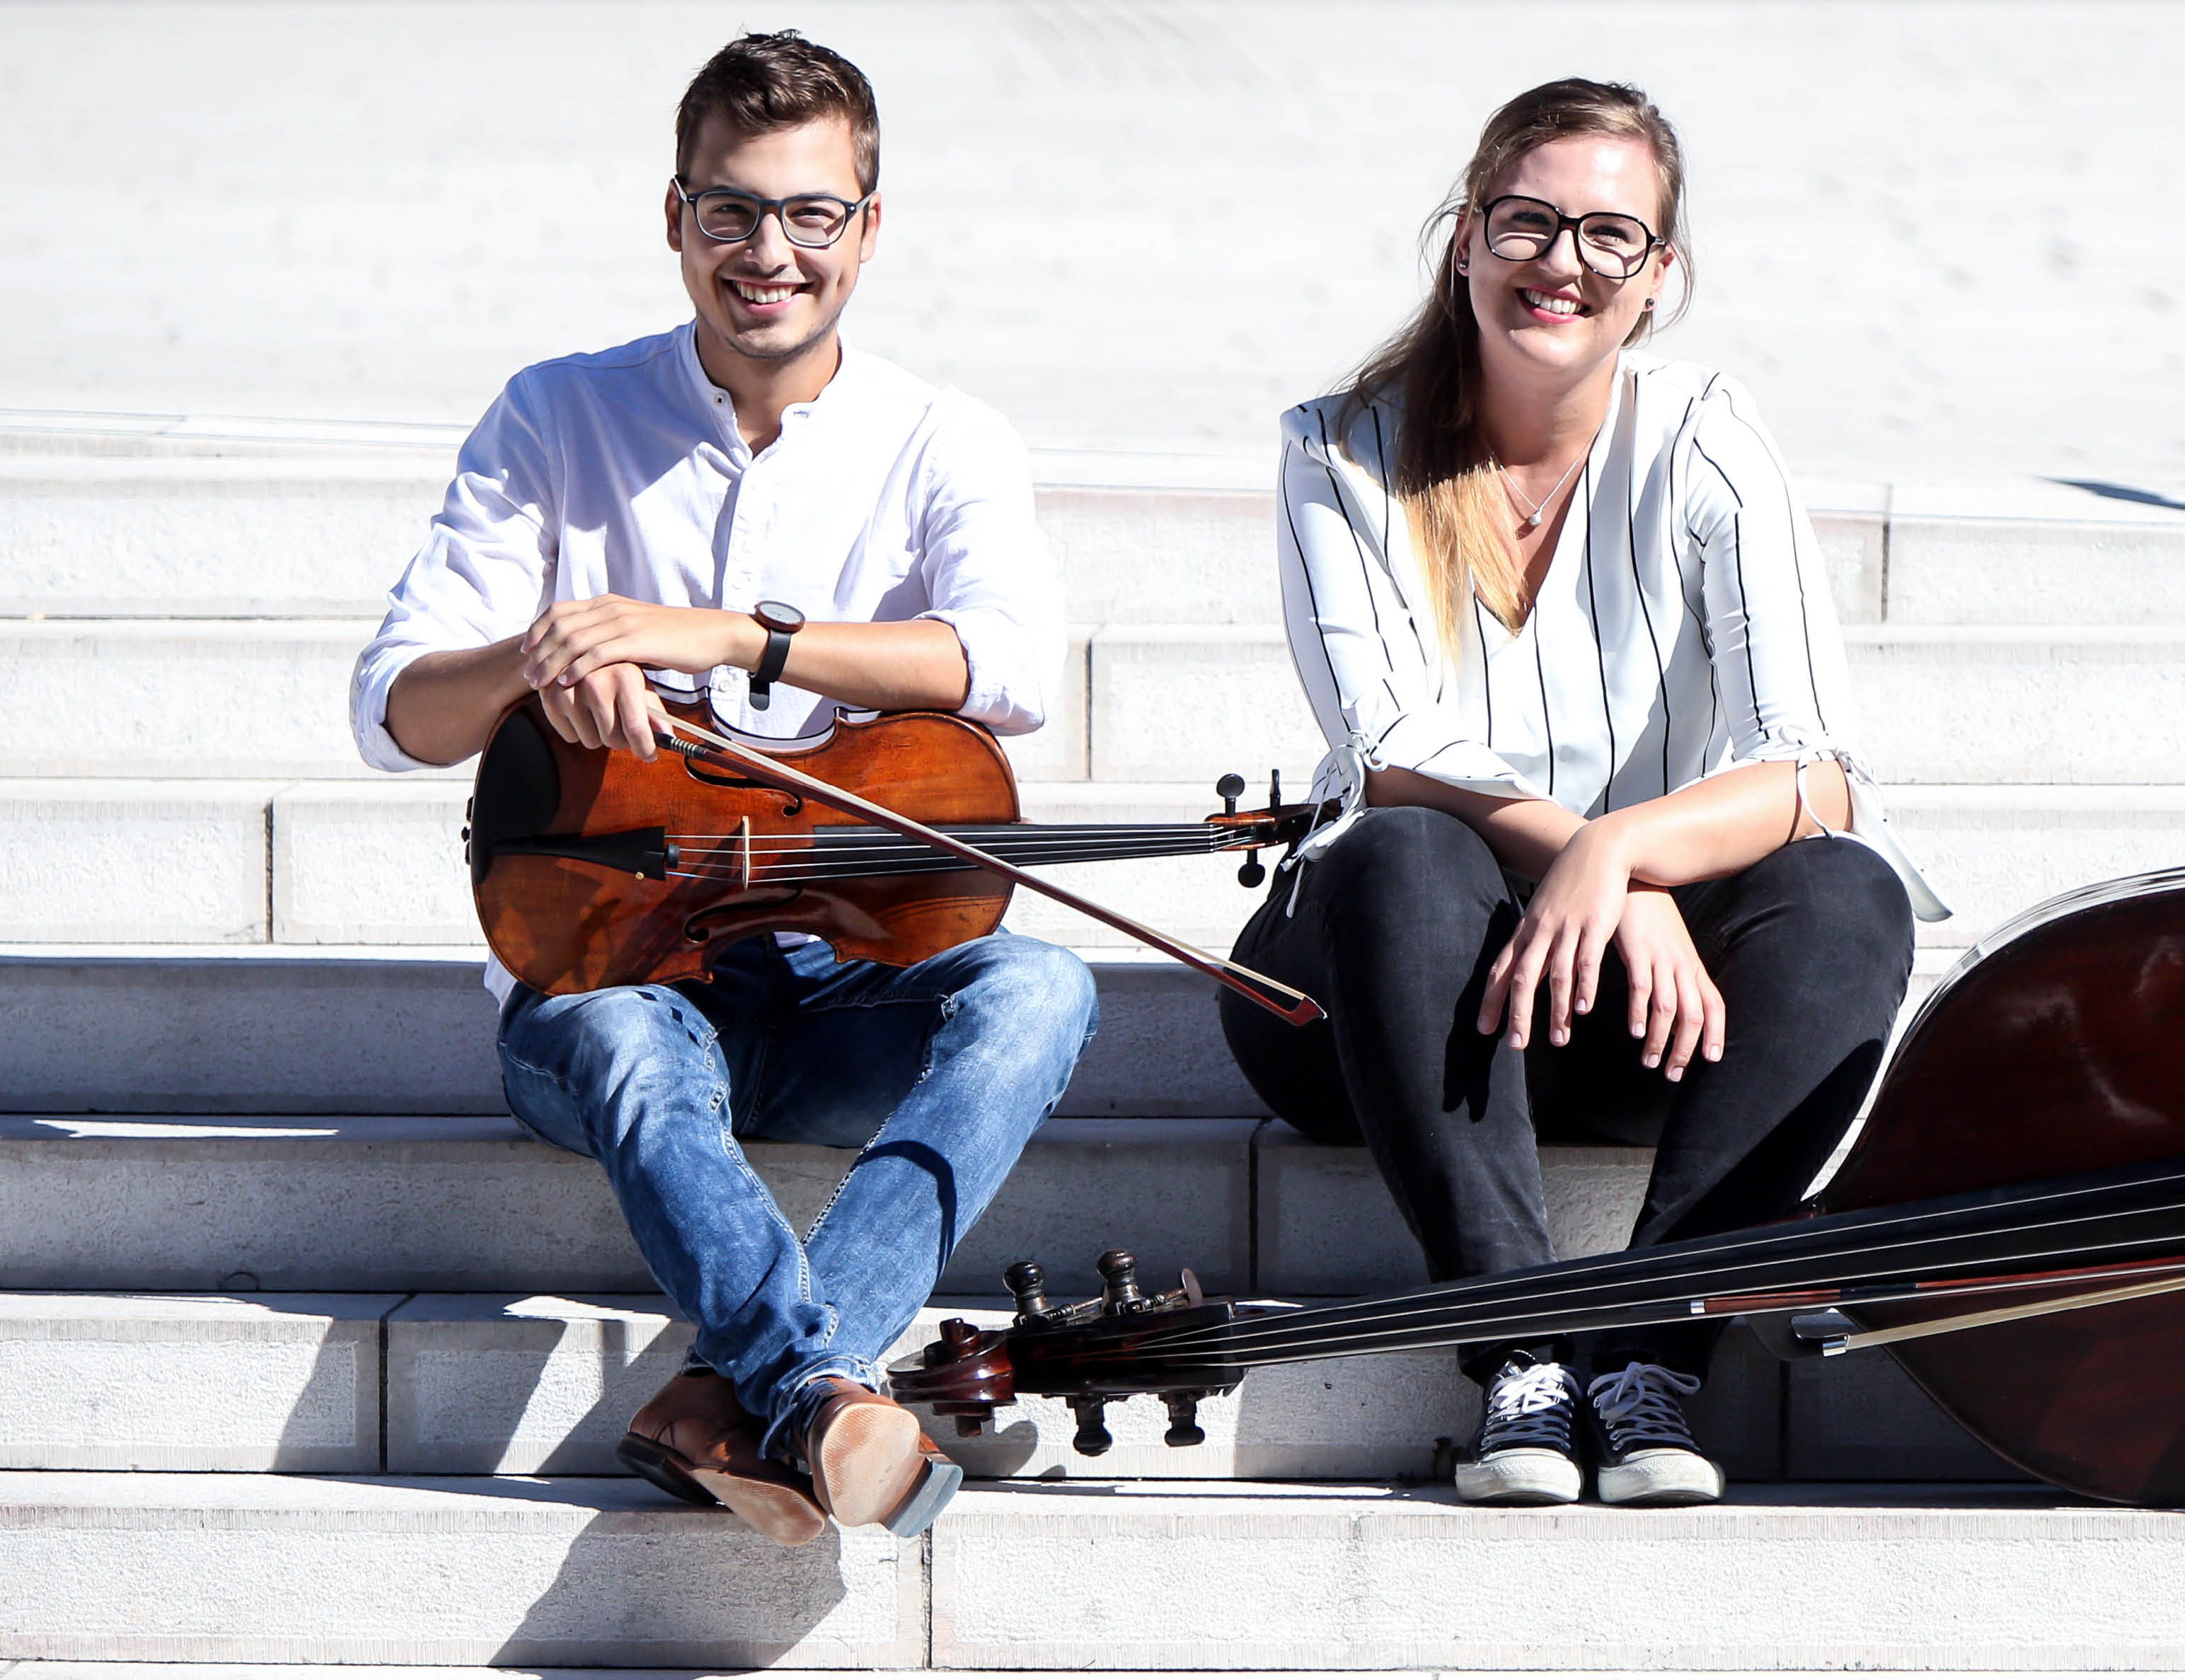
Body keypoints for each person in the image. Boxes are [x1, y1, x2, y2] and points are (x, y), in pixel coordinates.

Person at [350, 31, 1089, 1546]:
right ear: (675, 218)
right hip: (616, 972)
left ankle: (731, 1393)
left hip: (840, 979)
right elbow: (397, 711)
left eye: (812, 214)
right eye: (731, 211)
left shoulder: (942, 439)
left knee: (1043, 990)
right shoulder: (556, 417)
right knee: (620, 1031)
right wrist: (535, 657)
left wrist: (733, 638)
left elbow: (1008, 665)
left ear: (866, 230)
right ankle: (812, 1389)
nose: (770, 253)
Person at [1222, 78, 1947, 1509]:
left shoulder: (1703, 436)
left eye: (1610, 235)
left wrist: (1627, 859)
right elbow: (1386, 750)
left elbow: (1819, 767)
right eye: (1526, 221)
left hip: (1639, 1022)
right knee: (1401, 855)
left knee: (1846, 897)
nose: (1562, 262)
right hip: (1385, 1004)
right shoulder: (1336, 448)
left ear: (1657, 277)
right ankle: (1513, 1356)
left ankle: (1654, 1345)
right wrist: (1589, 868)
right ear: (1464, 238)